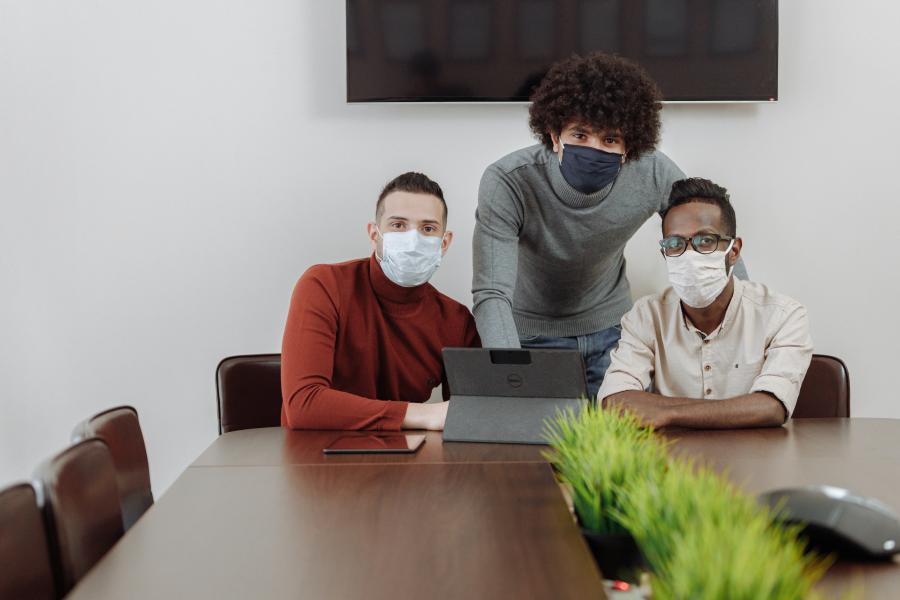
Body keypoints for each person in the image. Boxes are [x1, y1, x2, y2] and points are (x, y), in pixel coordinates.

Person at [472, 52, 746, 399]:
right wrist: (510, 374)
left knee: (626, 445)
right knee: (541, 450)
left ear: (630, 146)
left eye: (610, 140)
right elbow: (490, 292)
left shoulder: (652, 172)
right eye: (581, 135)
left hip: (616, 335)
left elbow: (713, 235)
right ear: (554, 135)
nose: (594, 149)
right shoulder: (508, 181)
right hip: (530, 338)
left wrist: (746, 324)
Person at [598, 178, 813, 429]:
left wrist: (667, 413)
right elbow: (614, 400)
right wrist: (740, 408)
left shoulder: (783, 315)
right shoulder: (647, 316)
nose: (689, 255)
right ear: (665, 253)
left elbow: (772, 407)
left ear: (734, 251)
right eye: (675, 244)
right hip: (674, 462)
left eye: (705, 240)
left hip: (757, 460)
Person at [281, 172, 480, 431]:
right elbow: (303, 405)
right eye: (398, 225)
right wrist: (424, 415)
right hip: (315, 459)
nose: (413, 240)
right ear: (374, 234)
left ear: (444, 243)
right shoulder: (323, 286)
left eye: (427, 228)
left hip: (405, 462)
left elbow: (471, 414)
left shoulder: (456, 320)